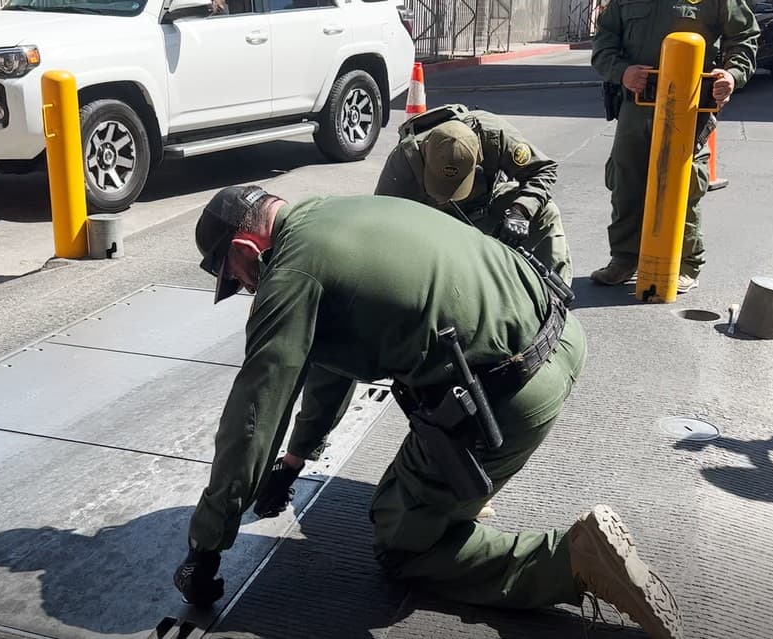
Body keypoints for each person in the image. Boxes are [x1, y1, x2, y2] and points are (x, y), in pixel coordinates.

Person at [172, 185, 681, 639]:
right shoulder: (332, 213)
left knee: (402, 545)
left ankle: (571, 560)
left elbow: (254, 415)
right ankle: (454, 497)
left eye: (237, 280)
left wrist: (207, 545)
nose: (247, 290)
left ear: (244, 250)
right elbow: (329, 366)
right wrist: (294, 462)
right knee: (406, 471)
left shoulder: (290, 272)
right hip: (561, 336)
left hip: (508, 395)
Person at [589, 0, 759, 291]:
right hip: (637, 104)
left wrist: (733, 74)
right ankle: (625, 258)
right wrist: (622, 72)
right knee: (626, 180)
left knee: (684, 182)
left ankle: (686, 263)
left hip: (689, 104)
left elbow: (745, 36)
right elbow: (604, 43)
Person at [375, 104, 572, 283]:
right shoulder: (404, 159)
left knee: (547, 212)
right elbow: (380, 222)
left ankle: (555, 304)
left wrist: (519, 211)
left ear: (479, 157)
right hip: (430, 223)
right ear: (425, 153)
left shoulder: (494, 135)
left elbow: (543, 169)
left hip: (482, 207)